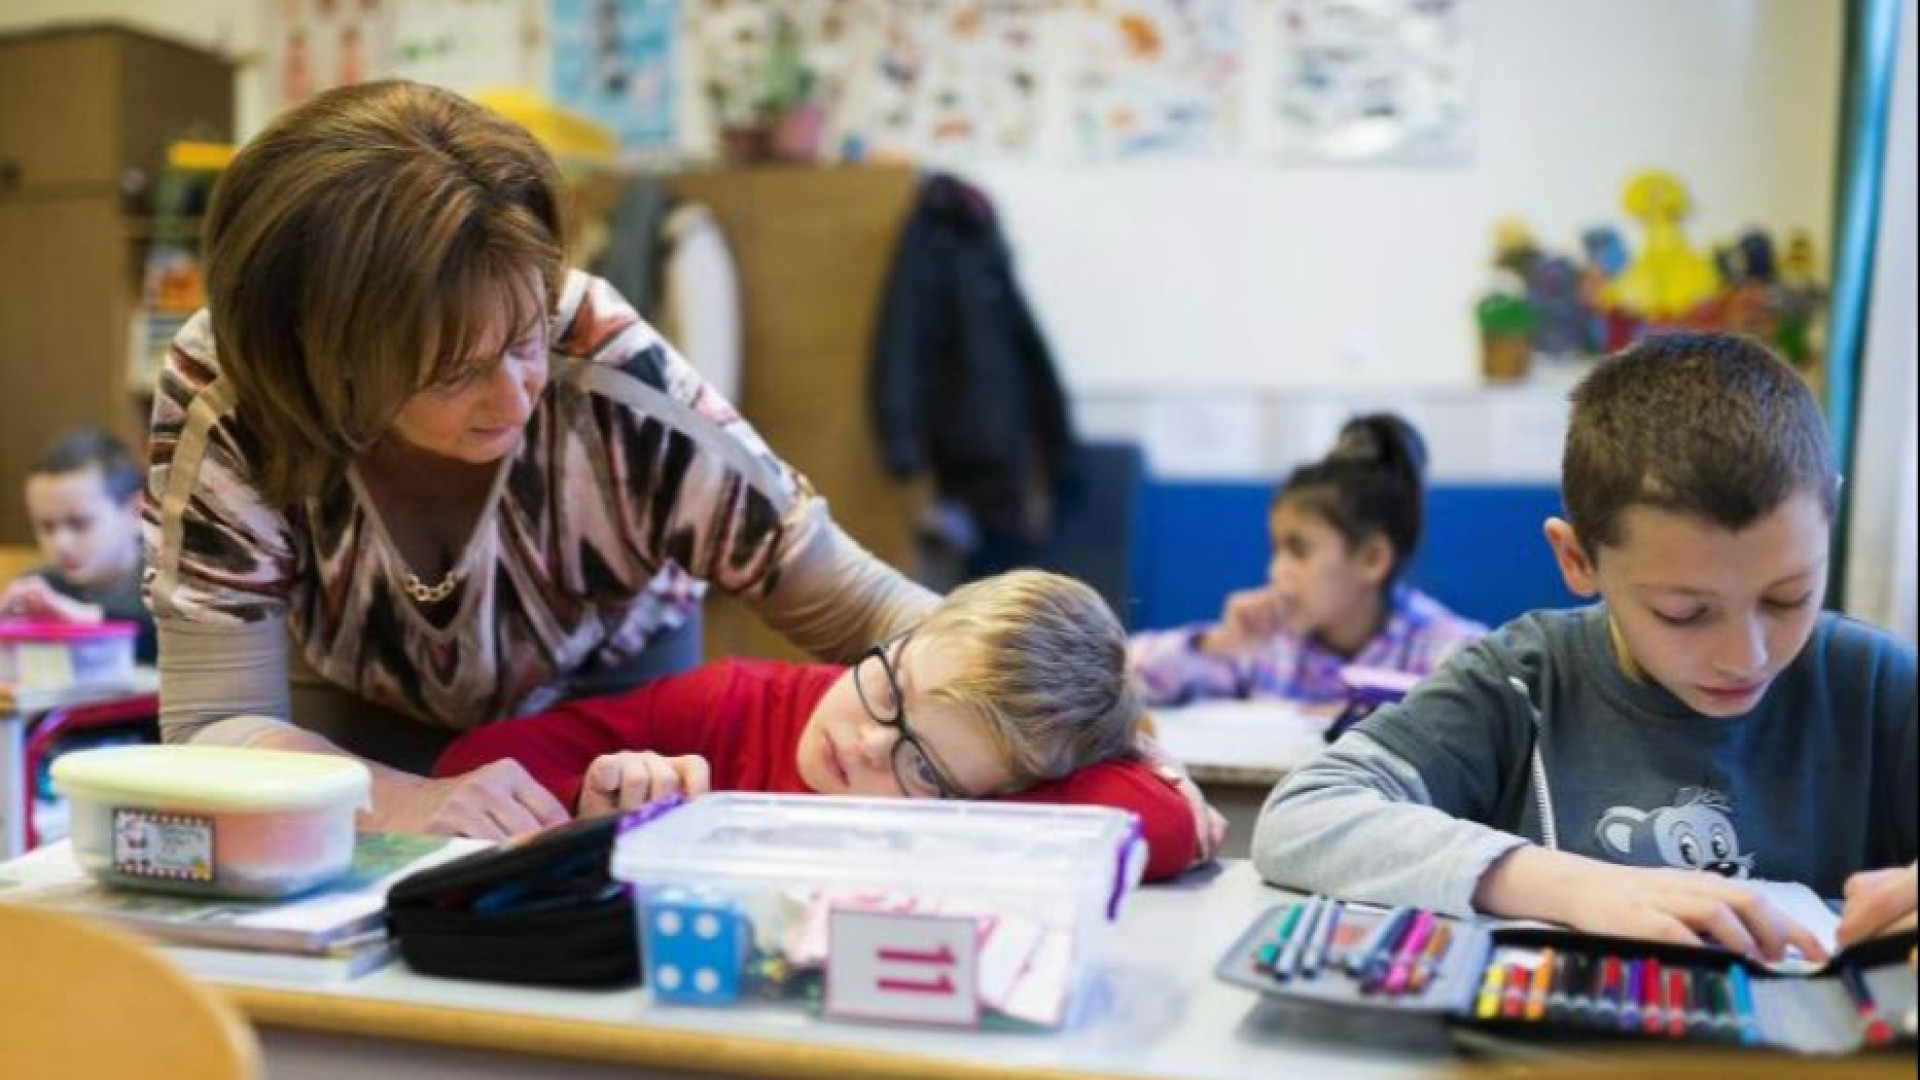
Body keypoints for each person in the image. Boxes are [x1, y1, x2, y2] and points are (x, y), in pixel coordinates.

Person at [141, 80, 948, 840]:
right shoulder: (235, 389)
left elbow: (866, 606)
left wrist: (1018, 690)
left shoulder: (606, 359)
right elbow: (214, 725)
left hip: (611, 706)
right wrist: (408, 800)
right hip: (349, 718)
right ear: (322, 362)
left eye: (527, 339)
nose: (515, 394)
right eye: (455, 371)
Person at [1252, 334, 1916, 960]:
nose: (1745, 657)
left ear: (1830, 515)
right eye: (1682, 612)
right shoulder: (1523, 680)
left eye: (1787, 597)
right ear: (1577, 559)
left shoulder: (1877, 687)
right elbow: (1302, 816)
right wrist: (1572, 885)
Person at [435, 571, 1208, 881]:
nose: (868, 742)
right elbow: (470, 765)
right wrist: (591, 800)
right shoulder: (731, 706)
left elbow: (1165, 823)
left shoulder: (994, 790)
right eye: (890, 684)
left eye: (924, 769)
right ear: (901, 634)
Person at [1128, 414, 1484, 708]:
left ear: (1373, 559)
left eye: (1298, 550)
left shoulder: (1448, 653)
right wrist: (1218, 644)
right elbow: (1115, 683)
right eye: (1276, 549)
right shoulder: (1267, 644)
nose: (1275, 570)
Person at [1, 428, 156, 663]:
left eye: (80, 523)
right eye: (47, 527)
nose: (61, 544)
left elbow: (176, 647)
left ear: (136, 512)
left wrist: (86, 621)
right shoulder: (40, 588)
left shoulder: (173, 586)